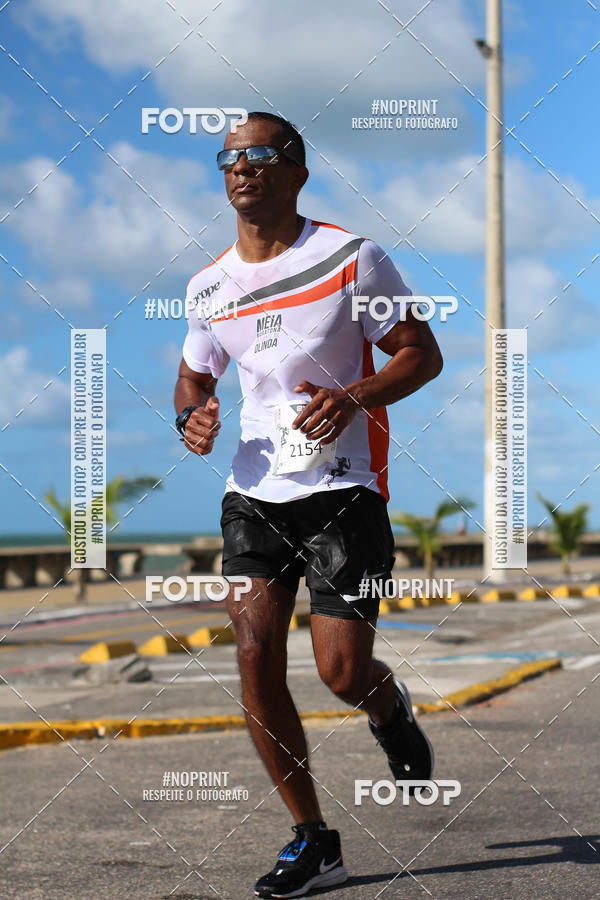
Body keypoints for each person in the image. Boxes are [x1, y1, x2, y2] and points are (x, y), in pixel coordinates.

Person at [174, 111, 443, 899]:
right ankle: (313, 839)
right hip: (252, 493)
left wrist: (356, 395)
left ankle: (387, 709)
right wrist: (191, 414)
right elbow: (195, 377)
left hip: (344, 493)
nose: (240, 167)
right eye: (227, 158)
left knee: (339, 671)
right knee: (255, 656)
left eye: (259, 154)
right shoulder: (207, 286)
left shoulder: (353, 258)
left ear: (296, 168)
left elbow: (421, 353)